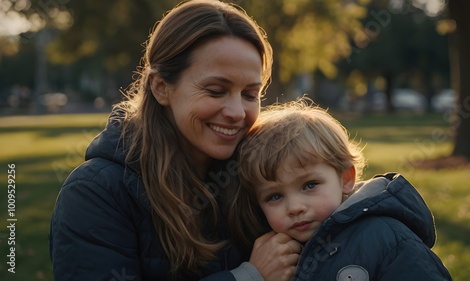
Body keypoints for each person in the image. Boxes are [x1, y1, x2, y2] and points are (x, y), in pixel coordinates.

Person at [49, 1, 302, 280]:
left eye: (250, 94)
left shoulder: (258, 175)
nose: (237, 113)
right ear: (161, 87)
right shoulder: (96, 193)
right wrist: (250, 276)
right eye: (216, 90)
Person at [233, 99, 453, 280]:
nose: (295, 207)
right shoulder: (276, 258)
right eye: (274, 196)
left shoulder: (386, 239)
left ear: (346, 178)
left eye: (309, 185)